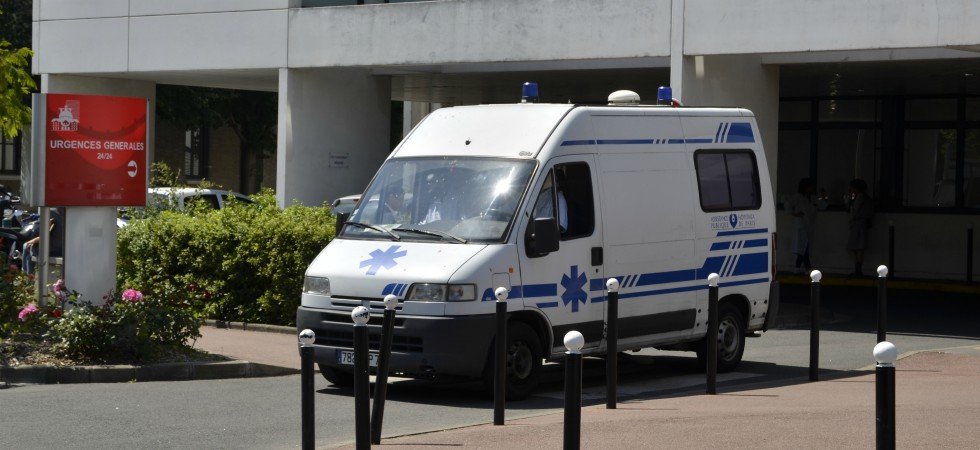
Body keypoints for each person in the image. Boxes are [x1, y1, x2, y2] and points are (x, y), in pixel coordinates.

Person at [786, 178, 818, 274]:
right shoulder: (798, 197)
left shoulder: (809, 198)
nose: (811, 188)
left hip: (806, 226)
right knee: (803, 247)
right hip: (801, 226)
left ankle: (798, 267)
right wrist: (794, 213)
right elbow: (787, 204)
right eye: (810, 187)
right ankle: (807, 267)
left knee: (803, 247)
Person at [846, 179, 874, 276]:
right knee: (858, 248)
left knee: (857, 247)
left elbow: (854, 211)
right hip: (861, 225)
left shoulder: (860, 197)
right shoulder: (863, 198)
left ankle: (858, 269)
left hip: (858, 225)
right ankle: (858, 269)